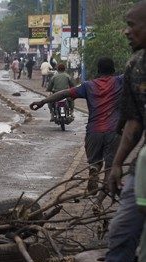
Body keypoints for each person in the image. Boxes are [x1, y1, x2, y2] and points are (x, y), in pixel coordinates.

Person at [30, 57, 123, 194]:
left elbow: (64, 93)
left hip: (93, 131)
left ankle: (94, 169)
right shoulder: (120, 82)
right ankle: (100, 200)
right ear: (114, 70)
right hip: (113, 131)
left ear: (98, 70)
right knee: (110, 167)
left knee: (95, 162)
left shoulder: (88, 86)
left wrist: (43, 101)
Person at [104, 2, 146, 262]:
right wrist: (117, 164)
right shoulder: (137, 64)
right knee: (120, 233)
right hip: (141, 167)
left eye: (131, 25)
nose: (125, 32)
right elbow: (134, 120)